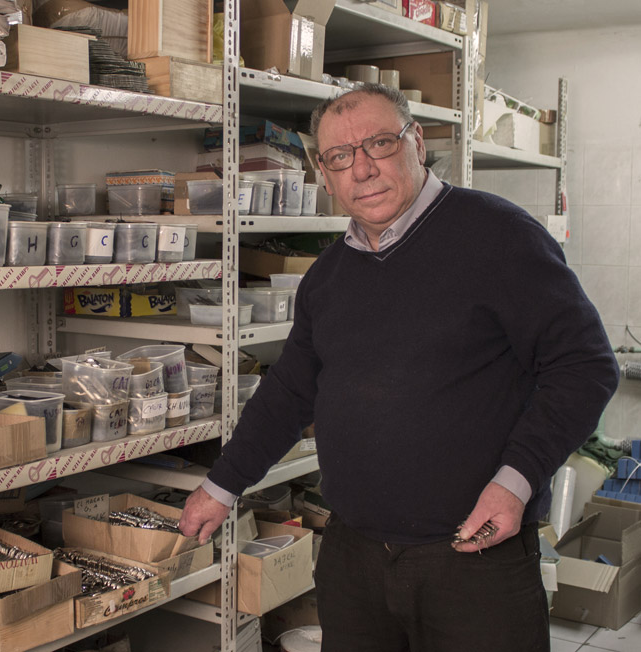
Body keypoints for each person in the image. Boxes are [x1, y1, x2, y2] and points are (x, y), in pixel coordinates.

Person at [178, 84, 619, 651]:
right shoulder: (330, 276)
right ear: (324, 171)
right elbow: (289, 392)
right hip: (354, 557)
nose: (361, 169)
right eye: (340, 156)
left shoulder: (498, 235)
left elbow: (584, 366)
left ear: (415, 143)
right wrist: (221, 485)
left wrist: (515, 482)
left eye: (379, 144)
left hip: (472, 555)